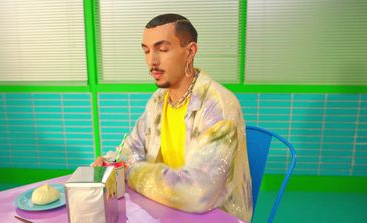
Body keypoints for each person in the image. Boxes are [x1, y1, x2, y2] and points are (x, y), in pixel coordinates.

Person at [93, 13, 253, 222]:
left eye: (162, 49)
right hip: (163, 210)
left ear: (190, 52)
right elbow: (130, 151)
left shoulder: (219, 107)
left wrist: (129, 172)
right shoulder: (158, 101)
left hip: (215, 216)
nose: (152, 61)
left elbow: (196, 192)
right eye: (146, 51)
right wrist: (111, 163)